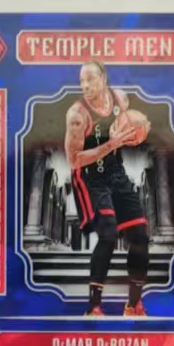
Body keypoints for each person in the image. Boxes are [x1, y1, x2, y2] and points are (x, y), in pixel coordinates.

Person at [62, 61, 150, 316]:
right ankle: (94, 307)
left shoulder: (120, 99)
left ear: (103, 78)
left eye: (90, 79)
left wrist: (141, 129)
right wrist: (111, 145)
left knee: (140, 237)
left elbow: (132, 123)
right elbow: (74, 160)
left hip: (116, 173)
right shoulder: (77, 115)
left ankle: (133, 305)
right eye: (81, 81)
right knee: (109, 235)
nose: (85, 85)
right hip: (89, 177)